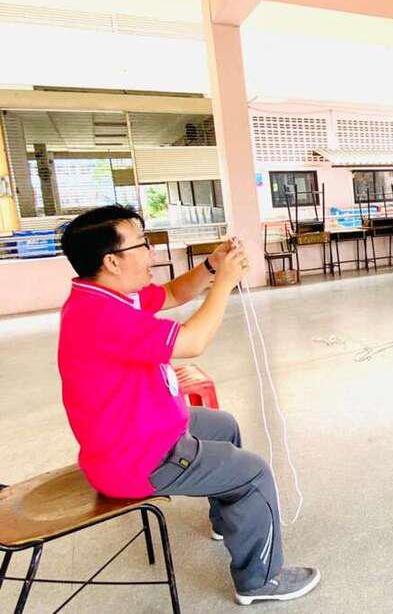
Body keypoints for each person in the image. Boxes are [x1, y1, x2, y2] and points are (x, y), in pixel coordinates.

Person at [58, 205, 319, 605]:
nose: (151, 253)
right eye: (142, 244)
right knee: (253, 473)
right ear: (112, 261)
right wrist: (224, 283)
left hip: (138, 432)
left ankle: (227, 517)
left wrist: (212, 266)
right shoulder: (101, 316)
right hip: (140, 458)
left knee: (222, 426)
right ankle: (260, 580)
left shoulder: (104, 295)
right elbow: (193, 341)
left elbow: (172, 293)